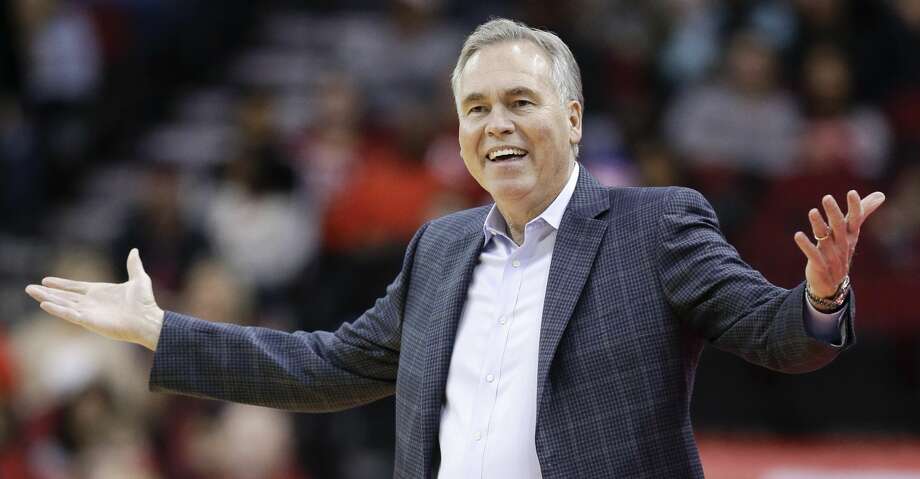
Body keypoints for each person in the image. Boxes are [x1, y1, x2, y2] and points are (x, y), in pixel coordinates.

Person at [25, 18, 885, 479]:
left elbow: (774, 333)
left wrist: (815, 295)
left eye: (519, 100)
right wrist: (161, 332)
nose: (495, 125)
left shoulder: (656, 225)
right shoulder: (437, 249)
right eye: (476, 109)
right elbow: (326, 366)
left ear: (574, 118)